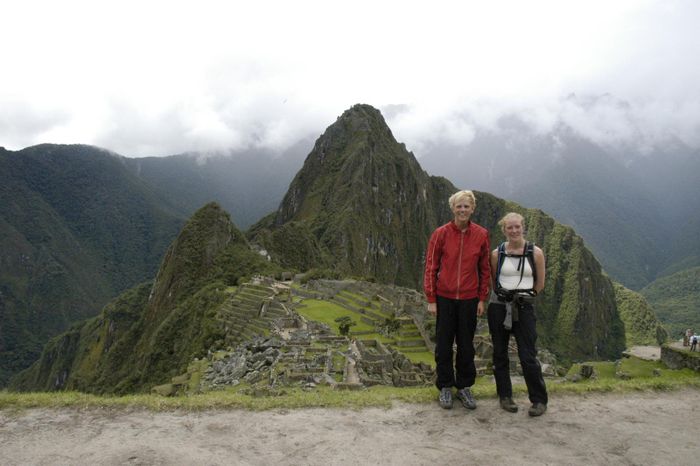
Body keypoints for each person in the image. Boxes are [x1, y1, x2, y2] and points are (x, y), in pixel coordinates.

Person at [423, 190, 491, 410]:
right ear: (452, 208)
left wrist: (482, 298)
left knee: (466, 345)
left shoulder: (481, 234)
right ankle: (445, 386)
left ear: (472, 209)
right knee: (443, 345)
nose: (462, 210)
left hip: (470, 298)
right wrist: (431, 299)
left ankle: (464, 387)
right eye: (459, 206)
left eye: (466, 206)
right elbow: (431, 267)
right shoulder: (440, 234)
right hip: (444, 297)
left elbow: (484, 268)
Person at [487, 212, 548, 417]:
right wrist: (507, 297)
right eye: (509, 228)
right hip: (499, 306)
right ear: (503, 230)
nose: (514, 231)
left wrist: (523, 297)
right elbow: (494, 282)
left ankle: (538, 400)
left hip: (524, 307)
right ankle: (505, 397)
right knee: (500, 353)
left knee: (527, 355)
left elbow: (539, 283)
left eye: (517, 227)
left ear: (523, 227)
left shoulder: (535, 253)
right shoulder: (497, 254)